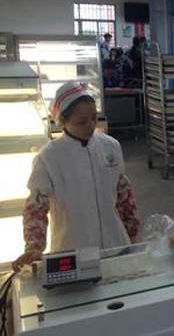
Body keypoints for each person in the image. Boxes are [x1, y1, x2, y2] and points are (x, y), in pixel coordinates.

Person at [12, 82, 140, 272]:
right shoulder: (49, 158)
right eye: (82, 121)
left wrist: (133, 231)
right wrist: (33, 247)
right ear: (63, 120)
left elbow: (124, 194)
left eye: (94, 118)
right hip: (72, 252)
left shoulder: (110, 146)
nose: (91, 125)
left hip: (116, 245)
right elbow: (36, 208)